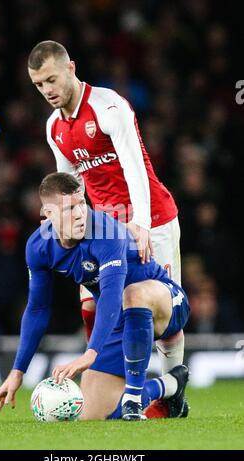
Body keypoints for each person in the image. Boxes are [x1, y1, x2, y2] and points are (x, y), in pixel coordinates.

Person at [27, 40, 184, 417]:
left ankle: (171, 395)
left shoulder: (109, 107)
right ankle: (104, 376)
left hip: (153, 219)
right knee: (92, 304)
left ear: (71, 68)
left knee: (157, 312)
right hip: (103, 229)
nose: (47, 90)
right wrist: (59, 218)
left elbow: (134, 165)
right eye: (38, 85)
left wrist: (141, 223)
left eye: (50, 79)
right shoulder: (54, 128)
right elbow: (68, 182)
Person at [0, 173, 190, 420]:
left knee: (132, 293)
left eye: (81, 203)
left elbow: (111, 297)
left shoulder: (107, 233)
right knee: (93, 417)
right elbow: (38, 309)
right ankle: (170, 385)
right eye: (69, 208)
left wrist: (90, 353)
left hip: (165, 301)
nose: (80, 213)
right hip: (121, 320)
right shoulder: (38, 246)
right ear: (48, 214)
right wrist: (18, 371)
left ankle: (134, 400)